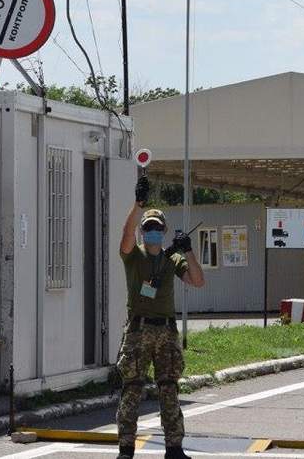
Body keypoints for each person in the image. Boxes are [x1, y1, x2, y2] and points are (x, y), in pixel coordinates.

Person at [115, 176, 205, 459]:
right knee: (132, 389)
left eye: (157, 228)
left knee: (169, 390)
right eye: (148, 228)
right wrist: (138, 205)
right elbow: (126, 236)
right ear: (143, 232)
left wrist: (187, 249)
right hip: (138, 331)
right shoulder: (134, 256)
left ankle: (174, 448)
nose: (152, 231)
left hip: (166, 332)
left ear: (164, 231)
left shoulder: (172, 259)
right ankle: (126, 449)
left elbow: (197, 280)